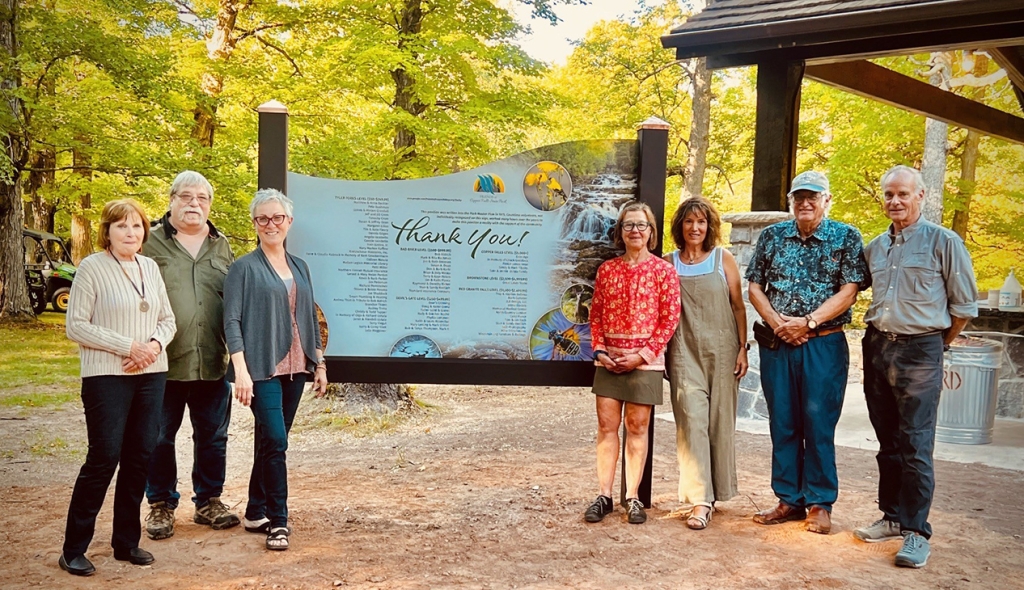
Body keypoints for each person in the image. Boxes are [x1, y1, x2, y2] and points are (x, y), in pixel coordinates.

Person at [854, 165, 978, 568]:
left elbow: (962, 308)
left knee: (916, 444)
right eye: (889, 194)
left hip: (922, 350)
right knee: (887, 442)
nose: (895, 201)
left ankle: (916, 532)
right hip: (877, 347)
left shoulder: (944, 242)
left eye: (903, 194)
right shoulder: (874, 247)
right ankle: (891, 517)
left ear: (920, 196)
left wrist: (936, 344)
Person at [745, 171, 866, 535]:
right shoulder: (772, 236)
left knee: (817, 424)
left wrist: (809, 323)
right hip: (778, 344)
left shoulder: (846, 236)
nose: (805, 203)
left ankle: (819, 502)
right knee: (782, 421)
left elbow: (851, 289)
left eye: (813, 196)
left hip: (823, 344)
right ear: (790, 201)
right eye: (799, 197)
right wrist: (778, 323)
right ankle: (788, 499)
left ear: (827, 200)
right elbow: (754, 285)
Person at [60, 199, 177, 576]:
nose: (131, 233)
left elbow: (167, 319)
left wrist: (153, 348)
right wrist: (129, 347)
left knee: (140, 455)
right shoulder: (92, 268)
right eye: (122, 226)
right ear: (107, 232)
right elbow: (76, 325)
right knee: (104, 457)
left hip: (151, 373)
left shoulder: (150, 267)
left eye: (137, 226)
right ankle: (73, 548)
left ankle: (127, 543)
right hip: (107, 376)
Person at [224, 188, 329, 551]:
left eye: (277, 217)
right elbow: (232, 321)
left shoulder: (300, 265)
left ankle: (255, 510)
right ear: (255, 223)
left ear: (289, 222)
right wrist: (240, 370)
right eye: (263, 218)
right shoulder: (243, 268)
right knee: (278, 441)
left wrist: (320, 364)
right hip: (261, 369)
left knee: (271, 441)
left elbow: (311, 319)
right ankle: (279, 522)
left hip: (298, 368)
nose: (271, 224)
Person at [143, 171, 240, 540]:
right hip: (161, 364)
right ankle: (160, 506)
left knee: (214, 437)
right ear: (171, 200)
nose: (194, 203)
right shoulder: (149, 242)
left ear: (209, 204)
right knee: (158, 438)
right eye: (186, 196)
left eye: (201, 197)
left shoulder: (222, 245)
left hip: (212, 362)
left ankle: (208, 501)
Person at [584, 201, 680, 525]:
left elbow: (669, 319)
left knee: (637, 427)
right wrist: (599, 351)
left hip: (645, 363)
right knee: (606, 427)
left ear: (651, 232)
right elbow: (594, 315)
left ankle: (633, 497)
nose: (635, 231)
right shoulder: (607, 271)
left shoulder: (664, 271)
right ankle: (604, 495)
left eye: (641, 225)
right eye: (628, 225)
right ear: (621, 232)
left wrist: (641, 355)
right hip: (609, 362)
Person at [663, 196, 747, 530]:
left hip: (724, 349)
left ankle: (717, 492)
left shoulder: (722, 259)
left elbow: (739, 306)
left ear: (709, 226)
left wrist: (743, 348)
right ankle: (699, 500)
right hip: (684, 351)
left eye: (701, 222)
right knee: (691, 421)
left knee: (719, 422)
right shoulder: (668, 263)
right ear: (679, 226)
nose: (695, 228)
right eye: (689, 221)